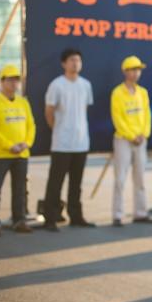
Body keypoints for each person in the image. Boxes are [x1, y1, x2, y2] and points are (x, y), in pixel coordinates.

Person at [43, 48, 95, 231]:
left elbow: (84, 111)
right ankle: (50, 217)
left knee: (76, 183)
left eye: (78, 60)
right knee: (55, 182)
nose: (75, 63)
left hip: (81, 143)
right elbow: (49, 111)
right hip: (62, 143)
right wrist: (58, 129)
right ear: (64, 63)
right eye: (72, 60)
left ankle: (76, 216)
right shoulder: (57, 85)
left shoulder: (85, 85)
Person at [0, 65, 36, 236]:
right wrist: (9, 145)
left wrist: (26, 143)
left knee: (20, 189)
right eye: (10, 79)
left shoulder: (23, 102)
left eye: (16, 80)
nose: (14, 83)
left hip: (21, 154)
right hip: (0, 155)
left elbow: (31, 125)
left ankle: (19, 219)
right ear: (2, 82)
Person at [110, 56, 152, 227]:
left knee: (140, 178)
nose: (136, 73)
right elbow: (118, 118)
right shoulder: (117, 93)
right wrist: (131, 135)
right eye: (133, 69)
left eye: (138, 70)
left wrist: (144, 134)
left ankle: (140, 212)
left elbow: (147, 116)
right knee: (120, 179)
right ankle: (117, 214)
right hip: (123, 140)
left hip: (141, 140)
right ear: (125, 71)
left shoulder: (143, 92)